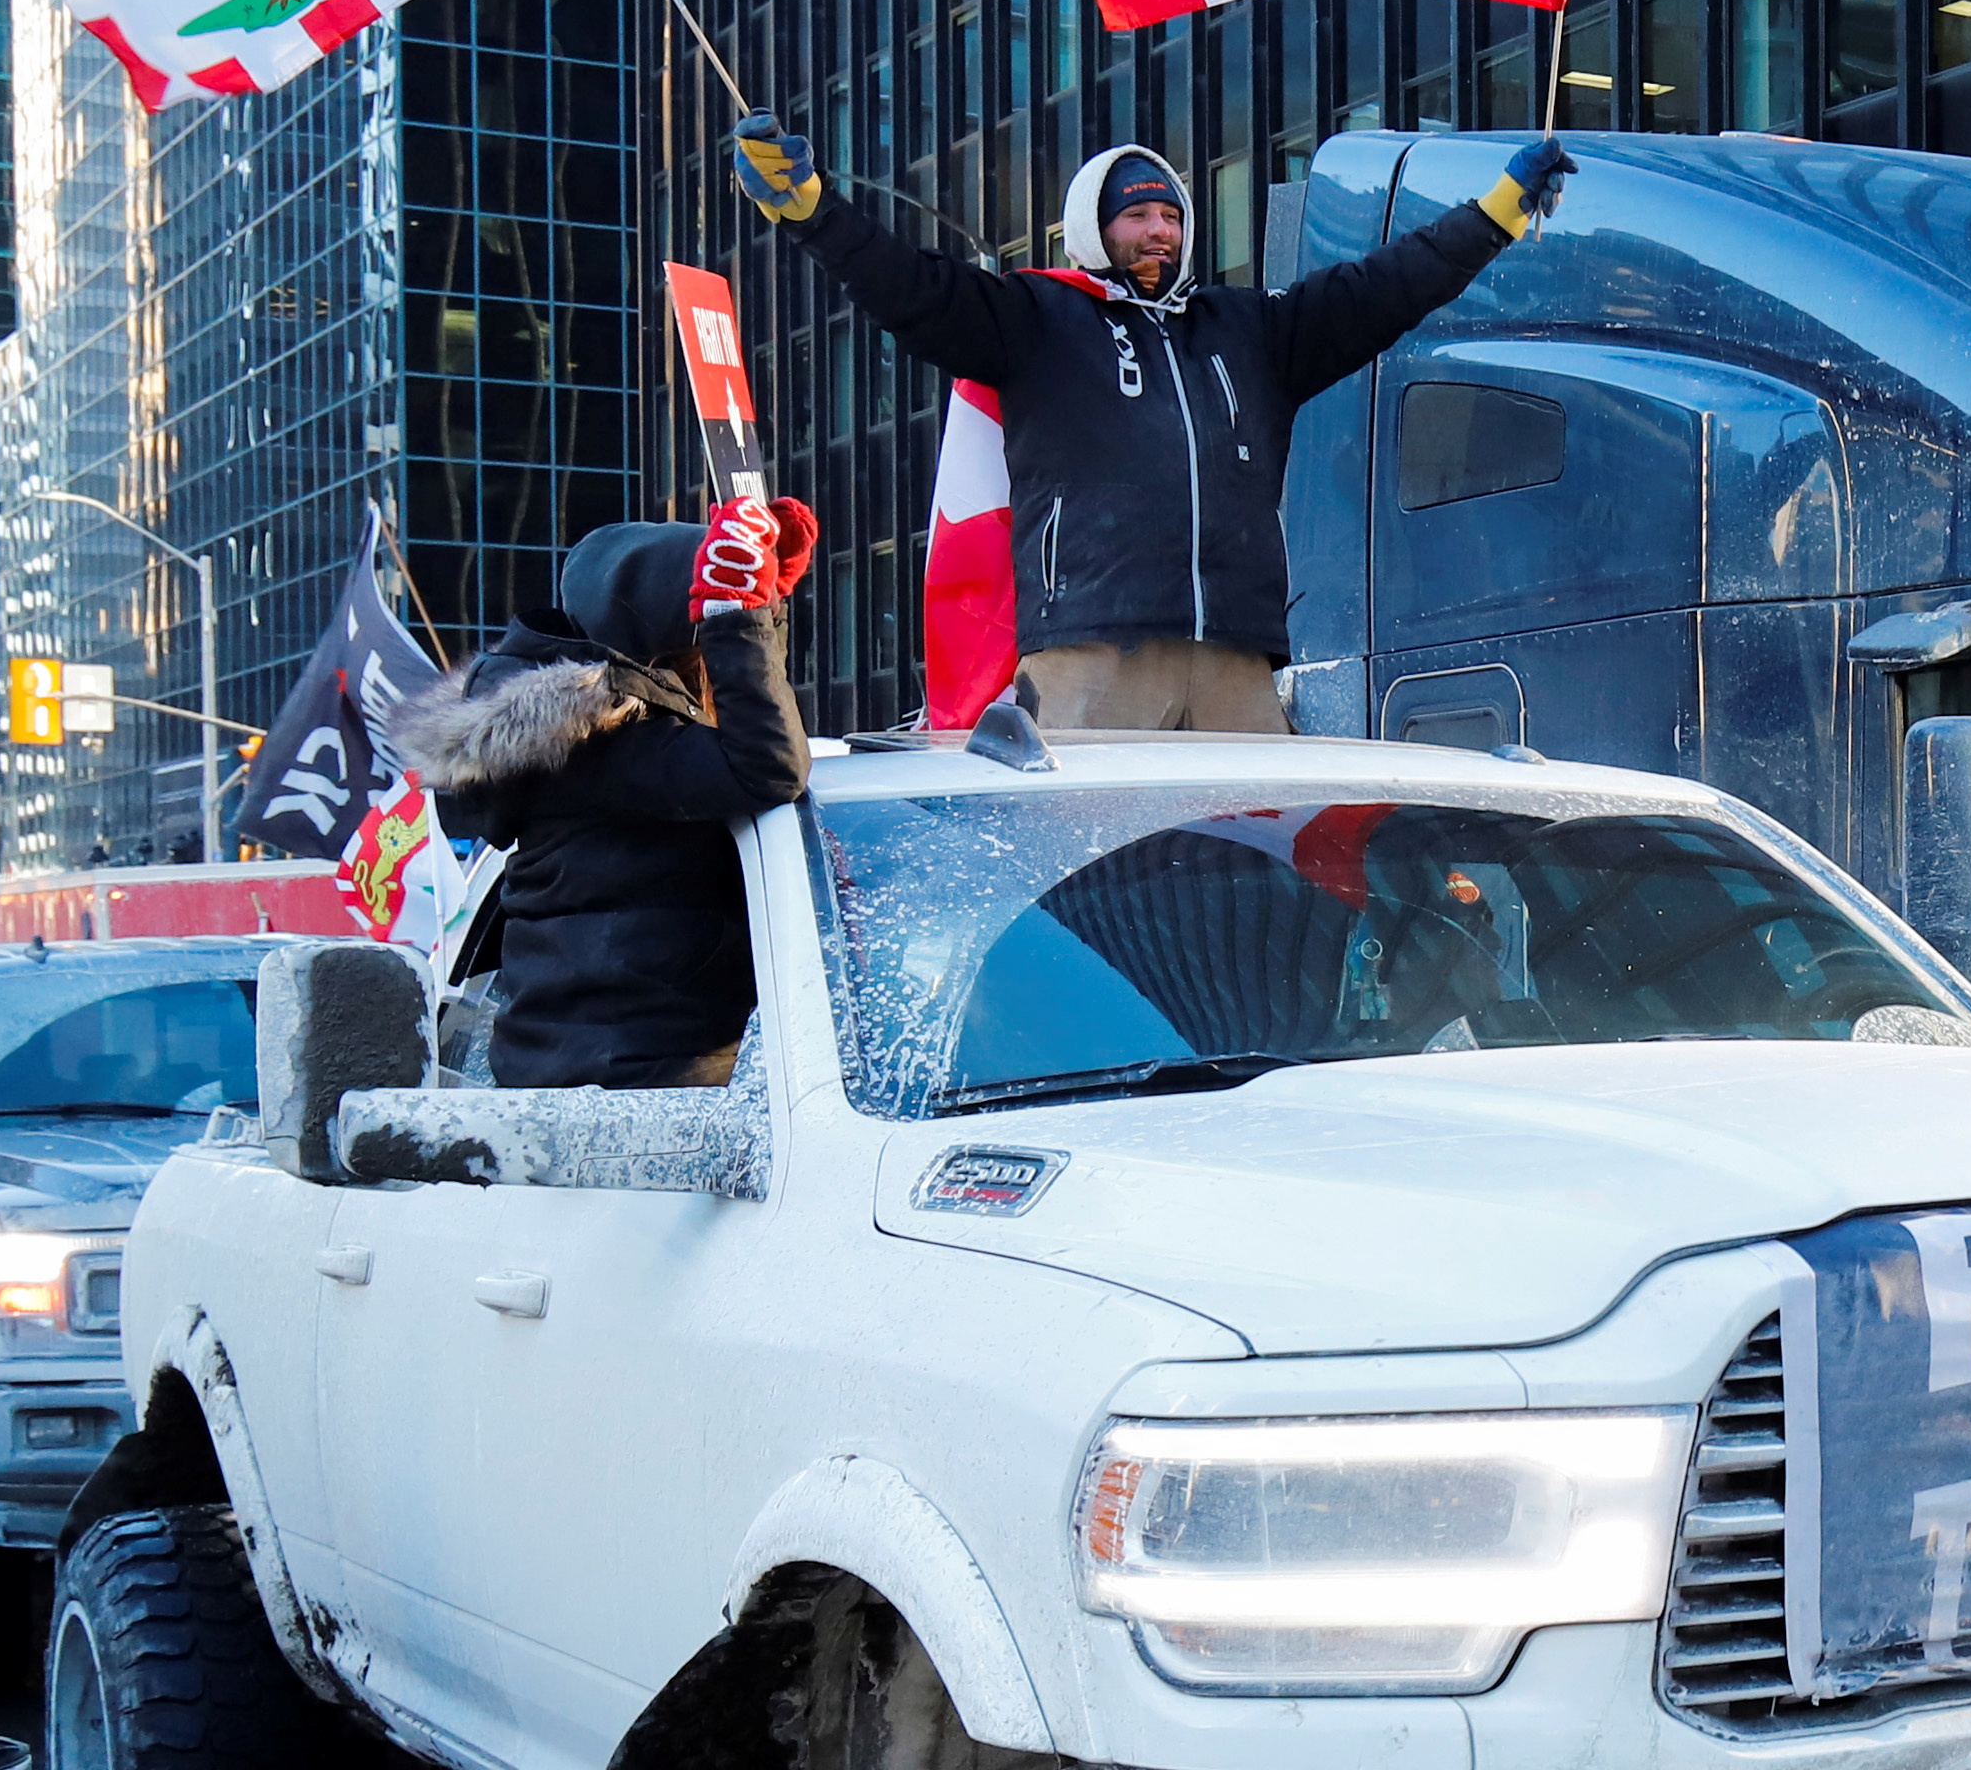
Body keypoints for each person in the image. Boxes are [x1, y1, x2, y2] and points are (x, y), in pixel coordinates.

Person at [727, 121, 1574, 732]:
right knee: (1080, 873)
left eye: (1169, 216)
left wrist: (1497, 210)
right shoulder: (1034, 317)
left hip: (1238, 663)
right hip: (1094, 653)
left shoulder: (1251, 330)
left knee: (1257, 873)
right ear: (1096, 227)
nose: (1157, 230)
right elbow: (908, 287)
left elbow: (1390, 285)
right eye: (1135, 216)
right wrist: (812, 209)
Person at [388, 501, 817, 1089]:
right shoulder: (599, 745)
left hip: (606, 1075)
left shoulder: (606, 740)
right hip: (624, 1097)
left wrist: (761, 614)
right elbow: (768, 768)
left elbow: (746, 734)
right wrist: (736, 618)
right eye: (699, 630)